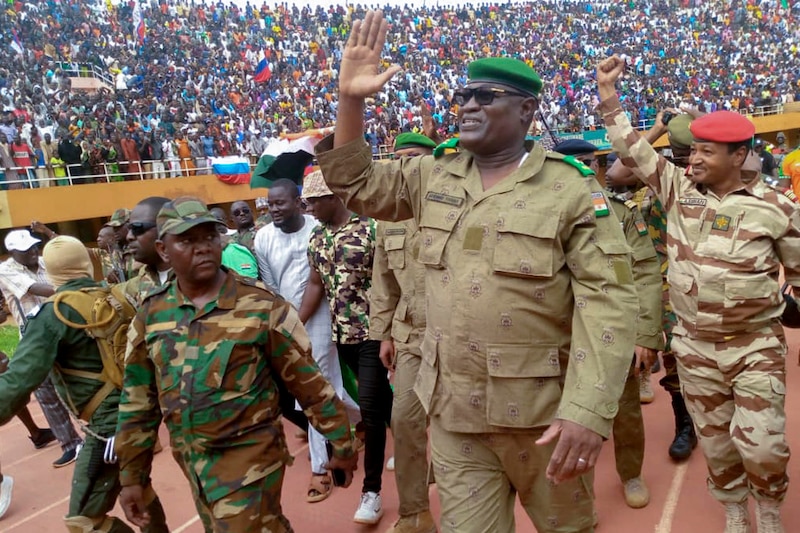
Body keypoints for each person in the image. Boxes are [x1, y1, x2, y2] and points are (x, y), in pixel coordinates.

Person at [315, 12, 637, 532]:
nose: (467, 104)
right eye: (463, 95)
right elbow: (356, 184)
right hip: (454, 417)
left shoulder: (571, 189)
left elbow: (609, 302)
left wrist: (588, 410)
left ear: (527, 109)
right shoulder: (431, 173)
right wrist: (350, 99)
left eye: (486, 96)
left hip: (541, 419)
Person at [597, 54, 800, 533]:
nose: (694, 159)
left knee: (764, 444)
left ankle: (768, 508)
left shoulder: (777, 207)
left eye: (707, 152)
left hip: (753, 347)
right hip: (693, 345)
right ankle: (734, 508)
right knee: (718, 441)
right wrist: (609, 96)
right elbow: (630, 151)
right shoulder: (676, 190)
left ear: (738, 156)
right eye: (694, 150)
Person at [115, 196, 358, 533]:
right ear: (163, 249)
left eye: (210, 238)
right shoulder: (152, 314)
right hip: (194, 463)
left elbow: (310, 385)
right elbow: (138, 403)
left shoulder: (260, 306)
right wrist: (132, 477)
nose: (203, 248)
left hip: (251, 460)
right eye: (187, 240)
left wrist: (343, 445)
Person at [0, 236, 170, 533]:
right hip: (141, 412)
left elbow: (14, 386)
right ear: (85, 265)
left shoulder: (52, 315)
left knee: (84, 522)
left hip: (108, 428)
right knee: (138, 488)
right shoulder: (114, 296)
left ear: (50, 271)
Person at [555, 139, 662, 510]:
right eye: (571, 164)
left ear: (599, 168)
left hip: (613, 332)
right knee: (570, 416)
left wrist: (646, 334)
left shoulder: (620, 213)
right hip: (561, 336)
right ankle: (579, 494)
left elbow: (646, 272)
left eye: (588, 163)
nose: (581, 171)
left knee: (626, 412)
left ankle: (631, 473)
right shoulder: (543, 211)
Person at [254, 178, 361, 504]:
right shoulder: (263, 238)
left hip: (320, 318)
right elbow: (270, 285)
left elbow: (321, 281)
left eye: (280, 203)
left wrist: (298, 319)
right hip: (287, 321)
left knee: (313, 390)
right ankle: (360, 419)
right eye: (270, 204)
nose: (273, 209)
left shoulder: (317, 229)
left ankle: (320, 468)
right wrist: (284, 321)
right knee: (327, 390)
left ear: (299, 203)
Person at [298, 169, 392, 525]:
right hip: (342, 337)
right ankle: (411, 437)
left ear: (333, 198)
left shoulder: (370, 231)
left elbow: (387, 283)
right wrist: (296, 323)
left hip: (372, 332)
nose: (310, 209)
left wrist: (389, 332)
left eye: (314, 202)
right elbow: (314, 285)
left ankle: (372, 492)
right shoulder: (317, 240)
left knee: (369, 409)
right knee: (381, 402)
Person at [605, 112, 700, 460]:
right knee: (670, 356)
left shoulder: (703, 181)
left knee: (698, 358)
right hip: (655, 282)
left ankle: (704, 421)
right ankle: (684, 423)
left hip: (697, 283)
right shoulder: (656, 177)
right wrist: (658, 128)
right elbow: (616, 173)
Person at [371, 132, 438, 533]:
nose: (405, 167)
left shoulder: (457, 205)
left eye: (413, 158)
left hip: (461, 333)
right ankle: (415, 512)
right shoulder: (386, 218)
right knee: (406, 420)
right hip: (412, 335)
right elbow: (384, 281)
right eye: (398, 160)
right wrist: (383, 334)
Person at [0, 229, 84, 467]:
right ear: (12, 253)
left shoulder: (44, 262)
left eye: (35, 246)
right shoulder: (6, 270)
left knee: (78, 380)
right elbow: (39, 290)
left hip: (65, 327)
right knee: (46, 393)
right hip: (35, 338)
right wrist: (76, 290)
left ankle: (100, 432)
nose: (34, 251)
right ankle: (71, 444)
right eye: (27, 249)